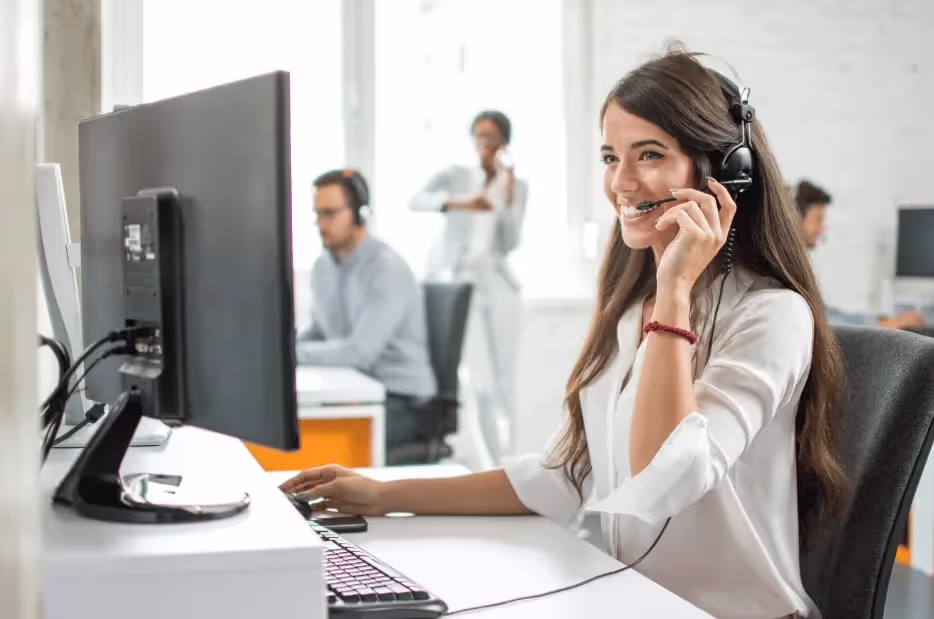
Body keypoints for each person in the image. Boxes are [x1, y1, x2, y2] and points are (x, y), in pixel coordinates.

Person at [282, 50, 847, 619]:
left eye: (649, 154)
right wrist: (384, 495)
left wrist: (675, 287)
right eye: (610, 156)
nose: (621, 183)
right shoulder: (632, 312)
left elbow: (668, 480)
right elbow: (564, 476)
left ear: (725, 173)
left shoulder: (772, 316)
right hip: (636, 600)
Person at [408, 110, 529, 462]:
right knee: (481, 383)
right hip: (461, 285)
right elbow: (415, 200)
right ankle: (492, 464)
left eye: (491, 136)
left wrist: (505, 198)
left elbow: (509, 243)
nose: (484, 142)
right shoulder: (456, 176)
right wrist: (461, 202)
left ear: (504, 141)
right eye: (478, 135)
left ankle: (511, 462)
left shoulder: (516, 185)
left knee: (506, 380)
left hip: (499, 285)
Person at [298, 169, 437, 463]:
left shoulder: (386, 269)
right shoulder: (323, 267)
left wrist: (294, 354)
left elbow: (360, 352)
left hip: (402, 399)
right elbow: (320, 333)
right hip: (356, 388)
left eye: (330, 213)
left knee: (310, 443)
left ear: (360, 213)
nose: (321, 224)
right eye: (317, 214)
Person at [794, 179, 926, 330]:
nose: (821, 229)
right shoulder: (791, 270)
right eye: (818, 220)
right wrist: (887, 324)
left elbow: (828, 314)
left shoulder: (799, 264)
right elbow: (827, 325)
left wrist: (883, 320)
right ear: (795, 219)